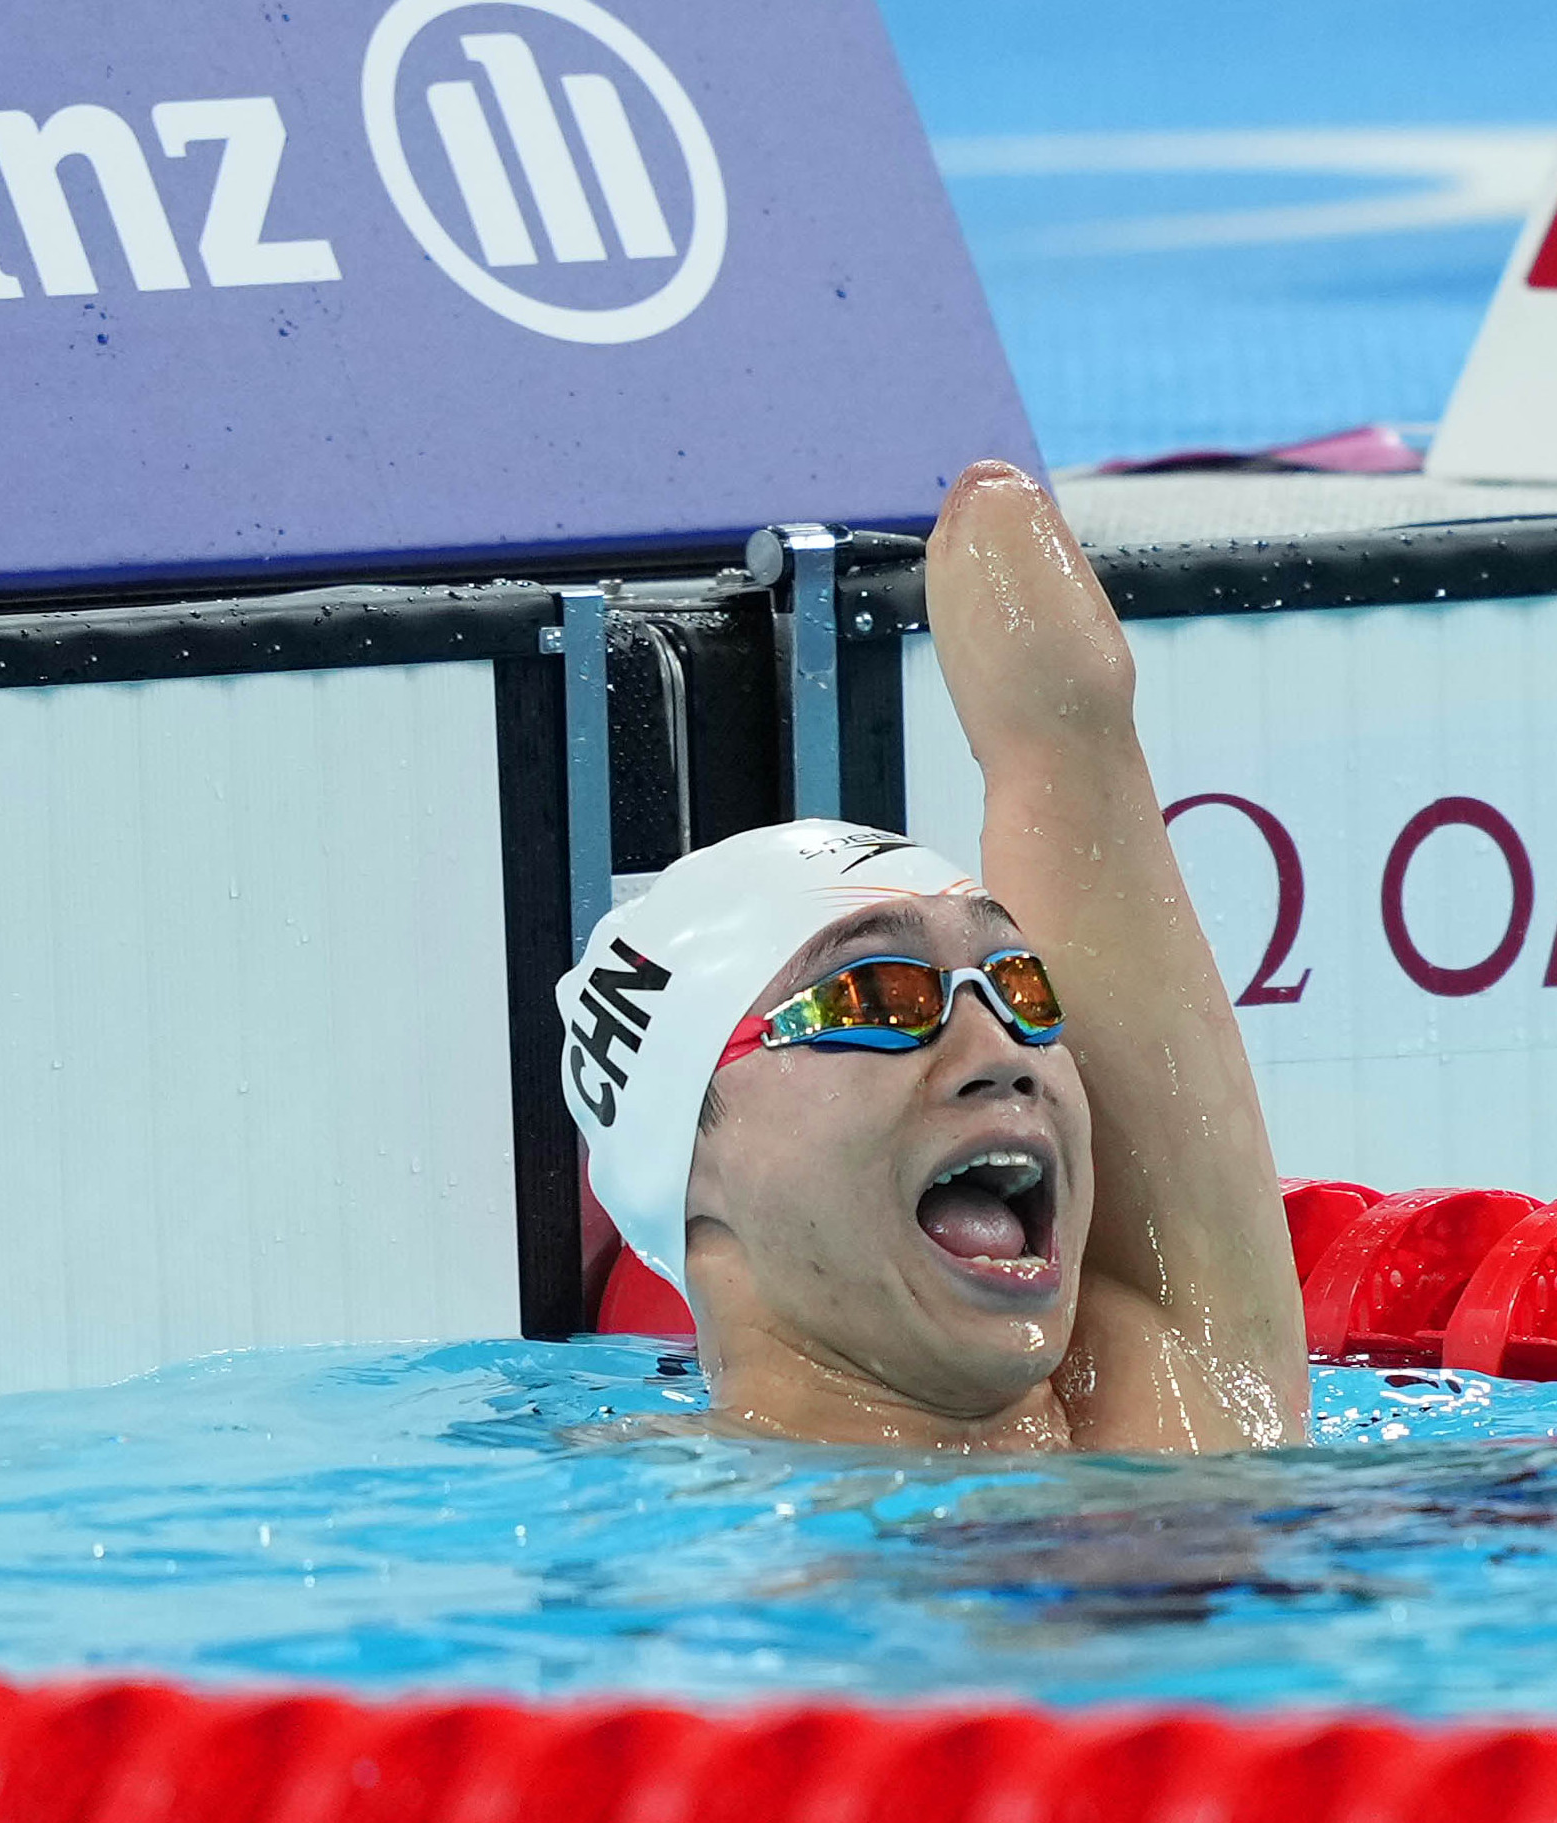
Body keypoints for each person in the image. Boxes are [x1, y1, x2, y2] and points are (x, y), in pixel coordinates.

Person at [556, 461, 1306, 1452]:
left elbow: (1066, 734)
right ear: (690, 1167)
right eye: (877, 998)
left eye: (1019, 985)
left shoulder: (1181, 1400)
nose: (1001, 1051)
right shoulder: (661, 1530)